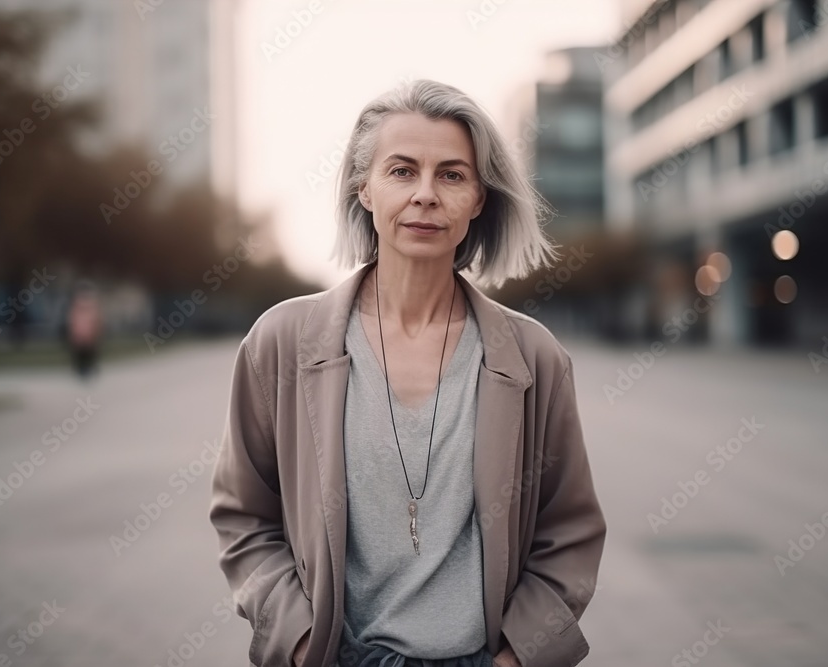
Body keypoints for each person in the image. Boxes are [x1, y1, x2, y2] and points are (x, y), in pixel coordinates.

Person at [209, 79, 606, 667]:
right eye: (401, 171)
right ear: (363, 188)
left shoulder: (533, 357)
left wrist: (518, 657)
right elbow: (244, 517)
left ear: (479, 199)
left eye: (451, 174)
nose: (425, 194)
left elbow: (568, 534)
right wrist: (296, 643)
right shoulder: (281, 344)